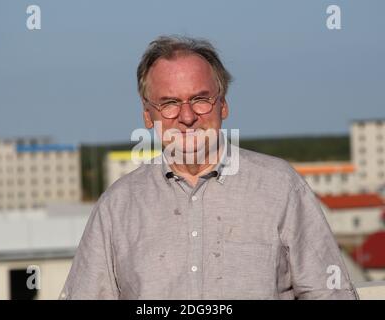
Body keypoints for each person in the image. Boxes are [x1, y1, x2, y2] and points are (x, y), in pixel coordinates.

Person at [60, 35, 358, 300]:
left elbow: (331, 293)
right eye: (169, 103)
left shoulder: (280, 188)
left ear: (223, 105)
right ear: (148, 115)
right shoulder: (117, 206)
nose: (187, 116)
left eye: (200, 99)